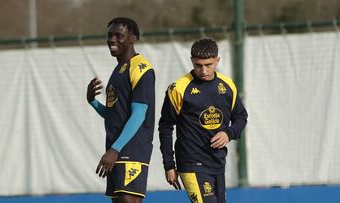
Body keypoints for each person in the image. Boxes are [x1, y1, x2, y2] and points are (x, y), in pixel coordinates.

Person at [158, 38, 248, 203]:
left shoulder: (227, 85)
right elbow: (165, 127)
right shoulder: (178, 88)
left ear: (217, 60)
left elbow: (241, 117)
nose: (204, 70)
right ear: (192, 61)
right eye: (198, 65)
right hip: (191, 162)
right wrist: (169, 165)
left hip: (218, 162)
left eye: (209, 65)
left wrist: (229, 133)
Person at [86, 17, 155, 203]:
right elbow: (114, 114)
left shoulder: (141, 68)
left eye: (119, 35)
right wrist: (92, 102)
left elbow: (139, 114)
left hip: (131, 149)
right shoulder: (119, 70)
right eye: (110, 35)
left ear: (133, 38)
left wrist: (115, 149)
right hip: (116, 149)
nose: (112, 39)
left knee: (127, 200)